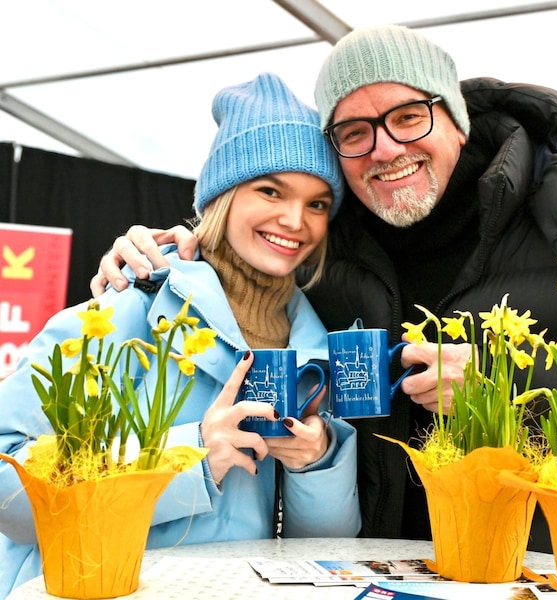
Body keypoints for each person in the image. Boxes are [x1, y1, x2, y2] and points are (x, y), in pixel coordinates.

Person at [90, 25, 557, 597]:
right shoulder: (330, 252)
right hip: (387, 578)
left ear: (455, 118)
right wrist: (169, 251)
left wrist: (514, 387)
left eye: (408, 117)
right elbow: (250, 234)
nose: (384, 148)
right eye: (354, 132)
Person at [0, 72, 361, 596]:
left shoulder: (313, 349)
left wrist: (316, 463)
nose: (294, 219)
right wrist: (190, 457)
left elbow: (319, 552)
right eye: (270, 190)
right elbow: (8, 480)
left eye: (318, 203)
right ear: (223, 196)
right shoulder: (131, 304)